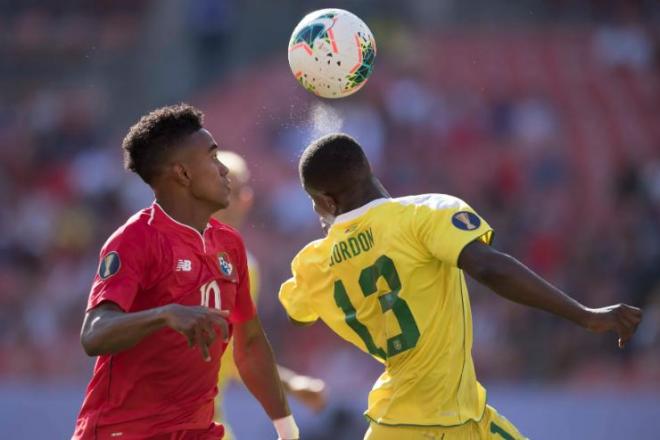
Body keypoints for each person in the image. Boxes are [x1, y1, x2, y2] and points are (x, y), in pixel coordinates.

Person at [278, 133, 643, 440]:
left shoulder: (312, 263)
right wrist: (584, 315)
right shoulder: (426, 213)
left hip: (410, 424)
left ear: (327, 201)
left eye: (316, 204)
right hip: (442, 418)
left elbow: (296, 315)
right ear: (367, 168)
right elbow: (487, 267)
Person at [72, 104, 299, 440]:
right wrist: (164, 315)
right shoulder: (135, 239)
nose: (224, 171)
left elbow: (249, 345)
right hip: (124, 431)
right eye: (212, 158)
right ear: (182, 173)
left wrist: (285, 425)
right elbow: (94, 333)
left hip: (198, 432)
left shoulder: (229, 245)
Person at [211, 151, 326, 439]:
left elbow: (239, 350)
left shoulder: (245, 267)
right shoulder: (168, 252)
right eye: (218, 190)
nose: (227, 200)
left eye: (235, 190)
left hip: (208, 420)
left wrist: (290, 383)